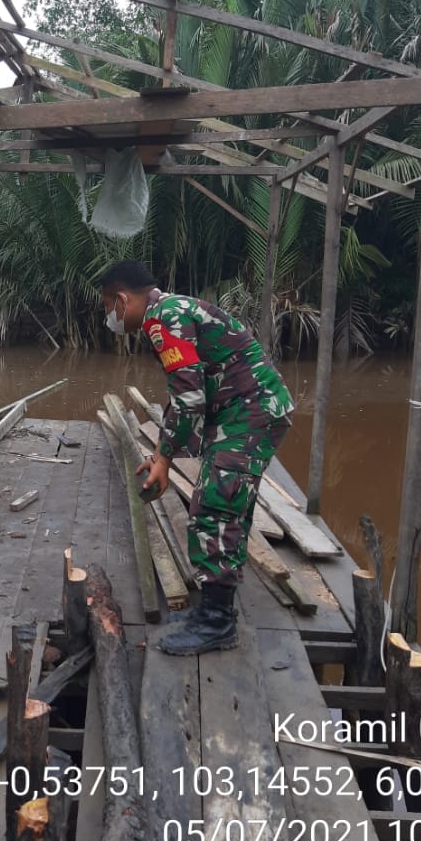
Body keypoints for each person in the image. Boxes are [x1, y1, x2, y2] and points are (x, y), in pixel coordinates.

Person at [98, 260, 294, 655]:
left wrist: (165, 462)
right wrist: (160, 455)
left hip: (249, 413)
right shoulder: (172, 309)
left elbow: (190, 402)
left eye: (108, 307)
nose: (110, 317)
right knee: (226, 505)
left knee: (214, 507)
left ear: (122, 299)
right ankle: (213, 611)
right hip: (251, 410)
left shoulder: (161, 321)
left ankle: (218, 624)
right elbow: (185, 393)